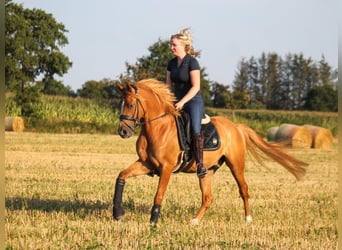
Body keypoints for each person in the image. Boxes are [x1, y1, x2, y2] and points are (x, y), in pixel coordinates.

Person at [165, 28, 208, 178]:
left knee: (195, 128)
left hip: (193, 100)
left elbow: (196, 86)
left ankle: (200, 164)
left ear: (184, 46)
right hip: (176, 100)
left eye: (174, 45)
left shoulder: (192, 62)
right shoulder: (171, 63)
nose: (172, 47)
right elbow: (168, 86)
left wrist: (183, 102)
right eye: (171, 44)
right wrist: (168, 101)